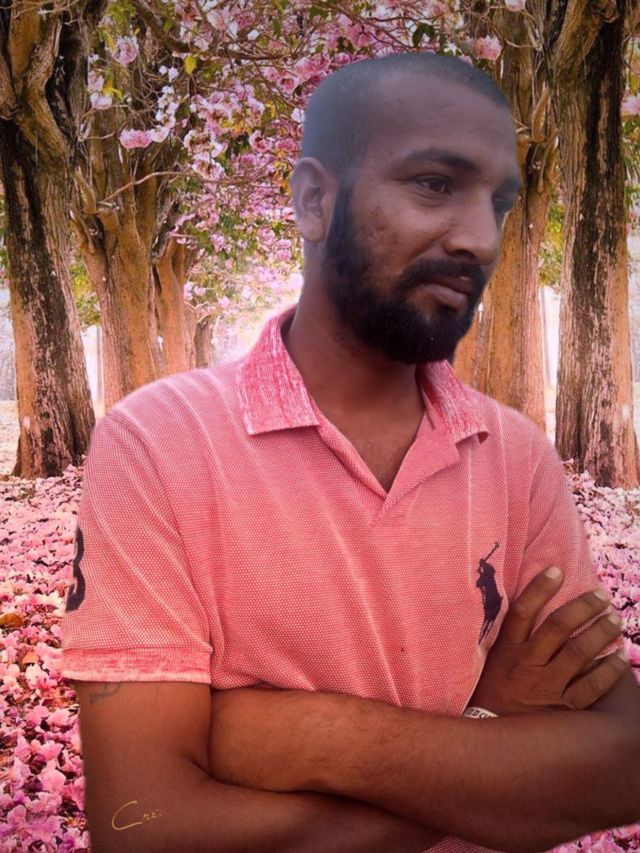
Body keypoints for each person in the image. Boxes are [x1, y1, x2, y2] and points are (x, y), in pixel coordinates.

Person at [61, 52, 639, 853]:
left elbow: (621, 760)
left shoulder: (516, 457)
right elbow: (145, 828)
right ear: (313, 200)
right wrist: (493, 740)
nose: (480, 239)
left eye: (500, 203)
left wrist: (317, 738)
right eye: (435, 184)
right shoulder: (160, 443)